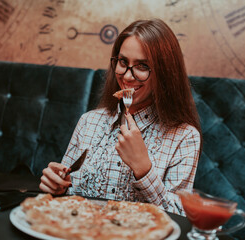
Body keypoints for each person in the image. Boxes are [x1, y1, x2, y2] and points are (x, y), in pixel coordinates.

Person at [39, 18, 202, 215]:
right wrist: (57, 186)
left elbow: (179, 218)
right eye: (123, 62)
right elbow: (65, 193)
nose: (127, 76)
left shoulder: (185, 136)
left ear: (165, 73)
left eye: (142, 66)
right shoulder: (89, 121)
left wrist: (144, 169)